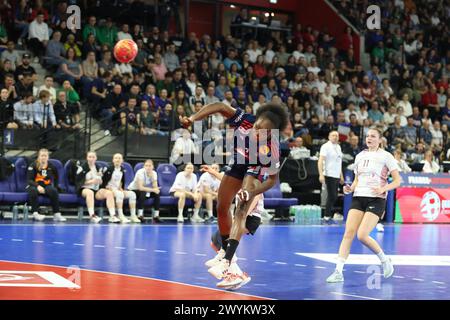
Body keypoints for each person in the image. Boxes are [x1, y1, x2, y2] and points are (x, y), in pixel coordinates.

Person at [180, 102, 288, 288]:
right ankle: (224, 251)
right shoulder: (246, 120)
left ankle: (227, 261)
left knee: (240, 210)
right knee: (221, 207)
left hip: (254, 172)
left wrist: (251, 191)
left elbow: (271, 180)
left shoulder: (273, 147)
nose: (256, 132)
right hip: (238, 163)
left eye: (262, 131)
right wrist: (193, 118)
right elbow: (220, 105)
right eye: (256, 127)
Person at [326, 128, 401, 283]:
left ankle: (385, 260)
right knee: (348, 233)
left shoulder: (386, 156)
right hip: (358, 197)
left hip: (376, 199)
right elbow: (357, 179)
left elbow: (397, 181)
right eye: (367, 136)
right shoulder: (359, 156)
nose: (369, 138)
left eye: (373, 136)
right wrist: (350, 188)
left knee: (362, 235)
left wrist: (383, 188)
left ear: (380, 140)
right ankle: (338, 272)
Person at [76, 151, 119, 223]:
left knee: (109, 193)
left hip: (96, 189)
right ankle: (92, 215)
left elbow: (102, 182)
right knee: (90, 193)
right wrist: (91, 181)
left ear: (96, 158)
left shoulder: (99, 167)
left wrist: (100, 181)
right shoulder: (82, 167)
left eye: (93, 157)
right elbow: (78, 182)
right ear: (87, 158)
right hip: (84, 188)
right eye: (90, 157)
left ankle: (113, 216)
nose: (91, 159)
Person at [26, 148, 66, 222]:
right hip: (34, 185)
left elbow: (56, 177)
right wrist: (38, 186)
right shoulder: (33, 165)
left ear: (48, 157)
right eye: (42, 155)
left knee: (53, 191)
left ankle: (57, 214)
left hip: (46, 186)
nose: (43, 157)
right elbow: (29, 180)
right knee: (32, 191)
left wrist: (56, 186)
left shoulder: (51, 166)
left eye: (45, 156)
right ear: (39, 156)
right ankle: (35, 213)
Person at [101, 153, 140, 223]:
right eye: (116, 158)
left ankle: (133, 215)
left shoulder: (122, 169)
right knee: (120, 194)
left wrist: (121, 188)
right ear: (113, 160)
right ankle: (120, 215)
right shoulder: (108, 168)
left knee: (132, 194)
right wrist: (106, 187)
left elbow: (121, 181)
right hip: (108, 189)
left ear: (122, 160)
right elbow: (102, 181)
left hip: (117, 189)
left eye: (119, 158)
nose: (117, 160)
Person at [318, 131, 344, 222]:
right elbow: (320, 161)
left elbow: (339, 162)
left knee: (334, 196)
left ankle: (328, 214)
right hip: (328, 174)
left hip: (336, 174)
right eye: (333, 135)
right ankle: (326, 215)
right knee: (332, 195)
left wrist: (341, 175)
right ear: (329, 137)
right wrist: (321, 174)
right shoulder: (325, 146)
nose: (335, 137)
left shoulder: (339, 147)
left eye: (337, 136)